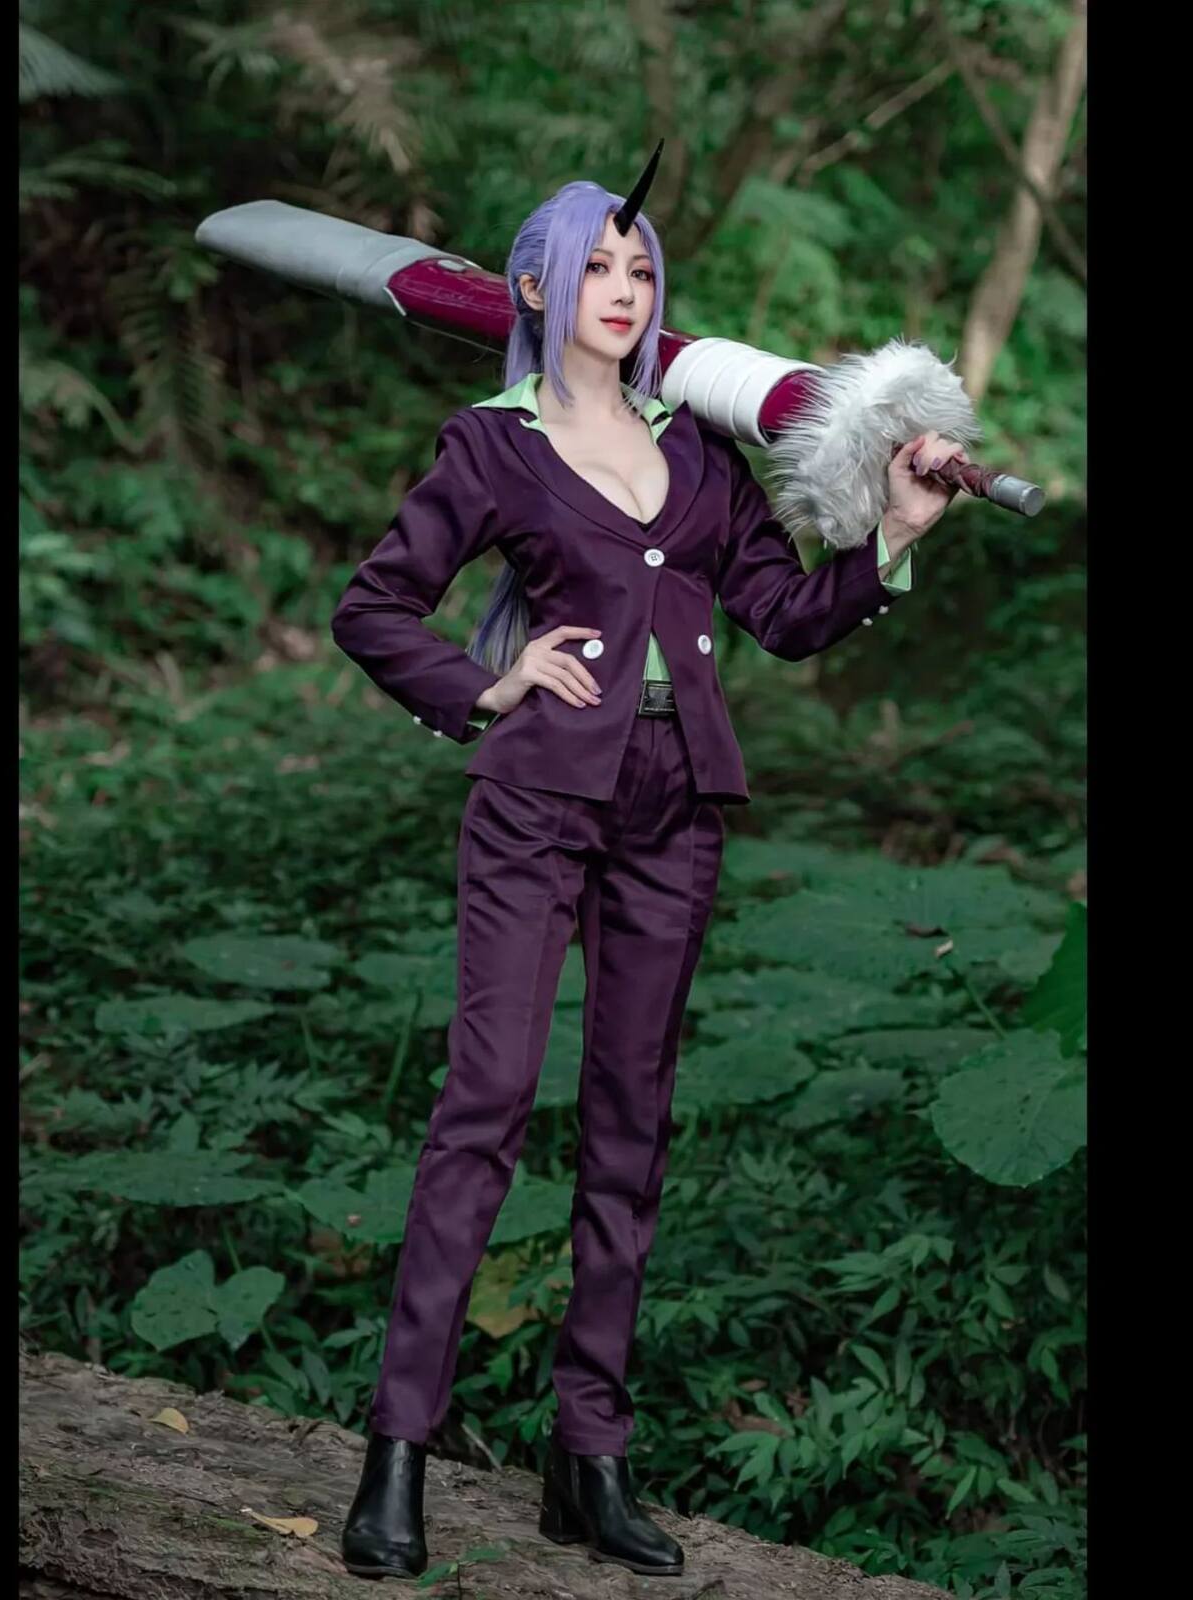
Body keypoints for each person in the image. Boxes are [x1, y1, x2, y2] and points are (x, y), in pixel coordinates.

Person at [331, 167, 966, 1581]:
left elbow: (783, 616)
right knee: (485, 1107)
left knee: (631, 1124)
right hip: (538, 801)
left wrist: (890, 538)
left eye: (641, 270)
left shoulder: (702, 450)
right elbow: (371, 606)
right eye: (598, 266)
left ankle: (589, 1458)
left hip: (676, 809)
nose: (623, 290)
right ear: (538, 285)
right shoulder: (493, 445)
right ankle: (398, 1452)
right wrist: (486, 686)